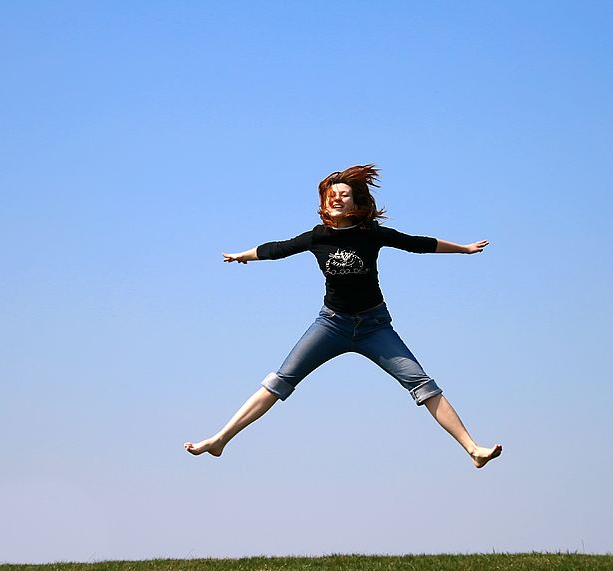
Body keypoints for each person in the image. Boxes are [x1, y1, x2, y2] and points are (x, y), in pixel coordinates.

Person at [184, 164, 502, 469]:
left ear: (355, 201)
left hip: (374, 326)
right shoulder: (317, 237)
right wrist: (245, 255)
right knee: (279, 381)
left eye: (344, 194)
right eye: (331, 194)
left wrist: (464, 248)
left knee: (422, 383)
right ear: (324, 201)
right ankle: (220, 439)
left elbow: (417, 244)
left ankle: (473, 449)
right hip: (331, 324)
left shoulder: (371, 234)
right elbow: (277, 248)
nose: (337, 198)